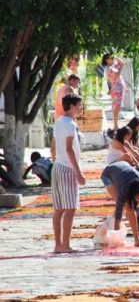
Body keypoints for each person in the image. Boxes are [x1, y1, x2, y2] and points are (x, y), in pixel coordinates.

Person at [50, 94, 86, 253]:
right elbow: (69, 148)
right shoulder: (70, 124)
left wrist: (55, 162)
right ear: (71, 106)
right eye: (79, 105)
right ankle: (65, 245)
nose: (80, 108)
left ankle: (58, 244)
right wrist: (78, 172)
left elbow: (53, 146)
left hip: (57, 166)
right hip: (67, 168)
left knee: (59, 209)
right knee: (70, 208)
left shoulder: (58, 122)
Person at [101, 161, 139, 247]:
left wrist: (136, 162)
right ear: (131, 194)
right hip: (108, 174)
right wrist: (116, 239)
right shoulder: (124, 191)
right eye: (138, 198)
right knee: (124, 207)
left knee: (130, 207)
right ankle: (111, 233)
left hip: (123, 165)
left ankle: (136, 240)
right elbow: (119, 214)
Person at [103, 54, 126, 129]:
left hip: (118, 88)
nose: (113, 59)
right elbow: (116, 76)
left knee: (117, 107)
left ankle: (116, 124)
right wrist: (121, 68)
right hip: (116, 89)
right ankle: (115, 125)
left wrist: (116, 56)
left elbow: (122, 63)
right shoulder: (109, 68)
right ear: (106, 60)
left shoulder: (113, 65)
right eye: (111, 58)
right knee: (116, 107)